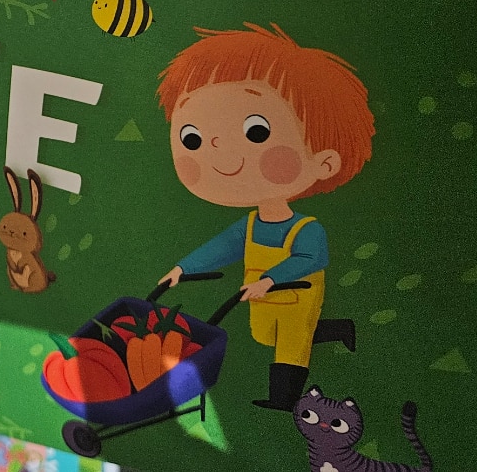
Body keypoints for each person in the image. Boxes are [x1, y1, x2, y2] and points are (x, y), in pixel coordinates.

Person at [156, 23, 374, 411]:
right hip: (262, 298)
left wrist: (272, 279)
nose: (218, 146)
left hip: (296, 295)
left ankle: (284, 400)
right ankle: (337, 329)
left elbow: (311, 259)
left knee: (291, 344)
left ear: (324, 162)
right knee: (264, 336)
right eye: (193, 137)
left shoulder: (306, 228)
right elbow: (223, 247)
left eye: (256, 131)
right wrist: (183, 269)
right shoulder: (251, 225)